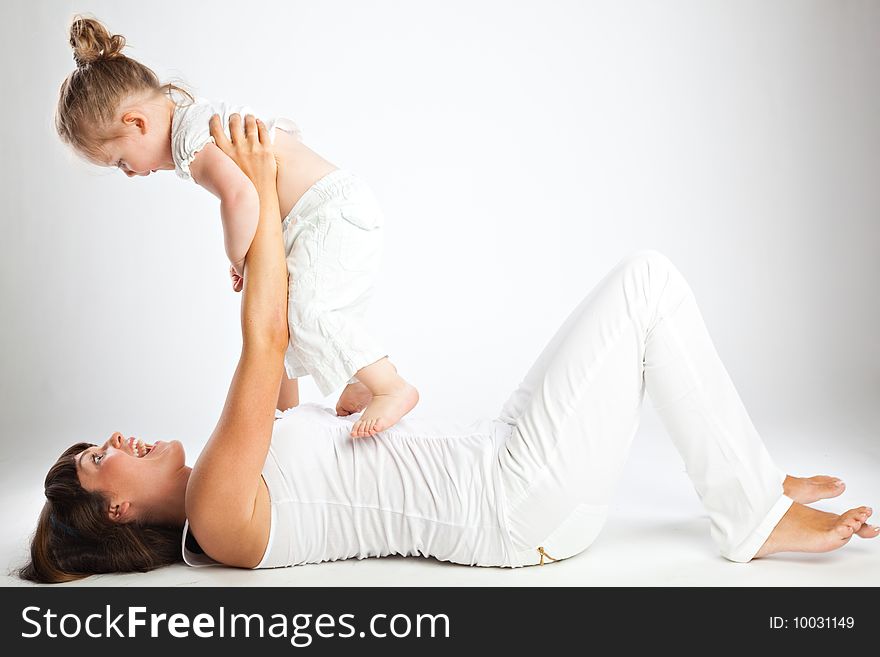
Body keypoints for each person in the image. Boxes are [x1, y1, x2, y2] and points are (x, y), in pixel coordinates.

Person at [19, 112, 877, 584]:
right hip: (511, 504)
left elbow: (281, 343)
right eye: (102, 459)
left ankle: (749, 481)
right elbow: (269, 330)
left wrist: (251, 200)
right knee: (646, 282)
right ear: (120, 511)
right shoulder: (216, 514)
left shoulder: (227, 473)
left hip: (504, 463)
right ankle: (753, 518)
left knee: (645, 305)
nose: (119, 438)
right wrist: (264, 180)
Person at [54, 16, 418, 438]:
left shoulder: (190, 141)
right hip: (317, 212)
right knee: (283, 309)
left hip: (326, 211)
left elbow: (240, 196)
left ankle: (391, 387)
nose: (130, 174)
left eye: (120, 163)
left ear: (137, 123)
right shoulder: (195, 119)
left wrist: (238, 256)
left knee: (309, 311)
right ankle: (320, 400)